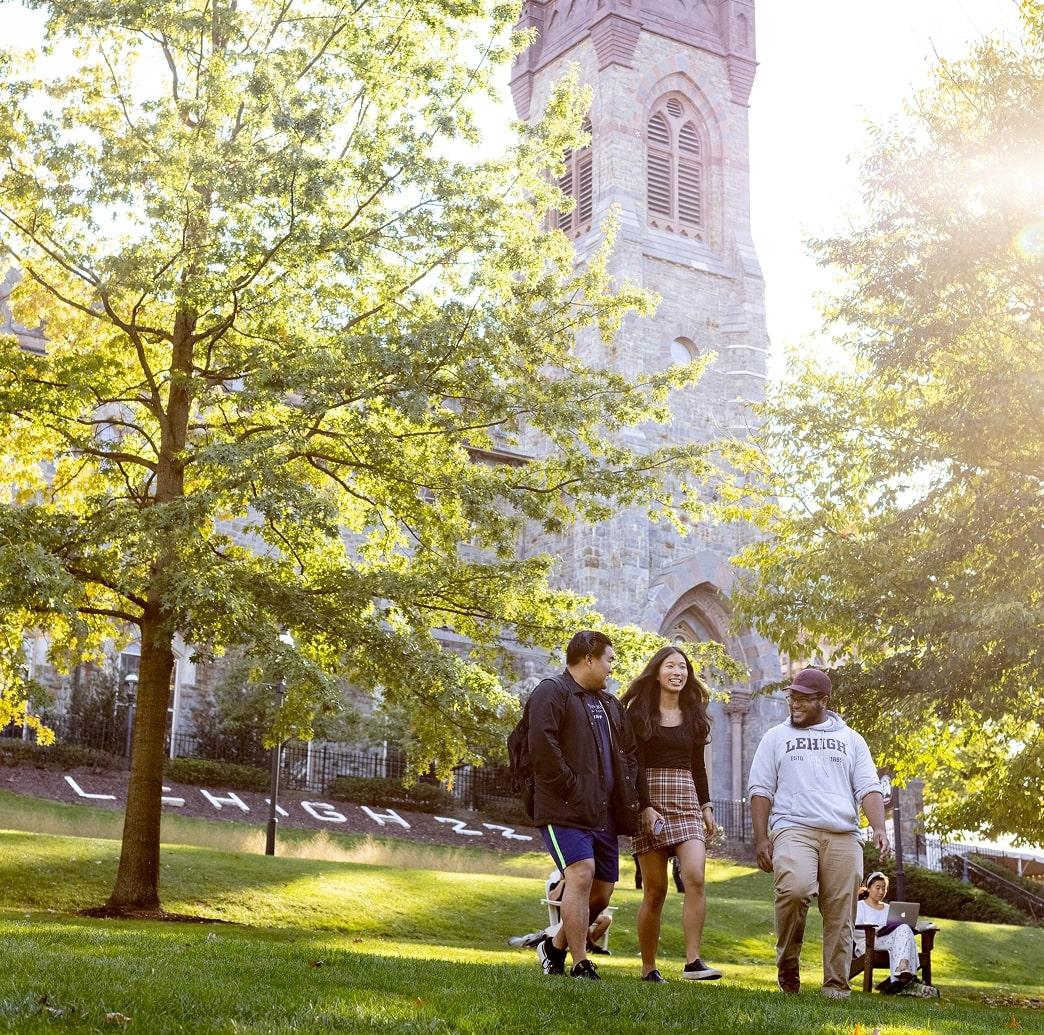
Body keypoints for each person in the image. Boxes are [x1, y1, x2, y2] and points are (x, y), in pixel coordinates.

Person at [748, 667, 890, 999]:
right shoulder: (776, 737)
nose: (793, 703)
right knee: (795, 890)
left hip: (842, 834)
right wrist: (761, 837)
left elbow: (868, 788)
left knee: (841, 911)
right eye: (791, 697)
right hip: (793, 829)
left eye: (801, 698)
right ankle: (788, 964)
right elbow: (760, 790)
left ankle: (836, 985)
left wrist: (880, 827)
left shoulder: (851, 739)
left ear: (823, 701)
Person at [528, 630, 642, 980]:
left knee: (602, 892)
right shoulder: (552, 691)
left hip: (603, 811)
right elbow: (542, 745)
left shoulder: (609, 703)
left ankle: (553, 945)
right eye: (608, 659)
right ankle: (580, 963)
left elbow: (627, 754)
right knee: (580, 874)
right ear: (589, 657)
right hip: (563, 806)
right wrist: (572, 786)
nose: (612, 667)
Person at [621, 645, 721, 983]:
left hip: (686, 800)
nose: (677, 672)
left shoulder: (695, 715)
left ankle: (693, 961)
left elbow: (698, 767)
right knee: (655, 891)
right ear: (658, 672)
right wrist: (645, 806)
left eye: (683, 667)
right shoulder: (638, 714)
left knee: (695, 875)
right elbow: (634, 765)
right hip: (649, 799)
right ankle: (649, 968)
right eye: (670, 666)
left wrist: (706, 806)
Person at [855, 871, 937, 996]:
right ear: (868, 887)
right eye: (878, 888)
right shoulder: (860, 906)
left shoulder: (889, 908)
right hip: (869, 942)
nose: (881, 892)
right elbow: (854, 930)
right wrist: (877, 929)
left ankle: (903, 968)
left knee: (904, 927)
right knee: (903, 930)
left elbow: (897, 930)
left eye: (884, 888)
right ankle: (904, 980)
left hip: (888, 941)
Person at [507, 869, 613, 953]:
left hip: (584, 913)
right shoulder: (558, 885)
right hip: (566, 917)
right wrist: (563, 883)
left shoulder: (581, 885)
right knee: (581, 918)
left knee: (606, 919)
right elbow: (552, 898)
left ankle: (586, 946)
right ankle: (590, 946)